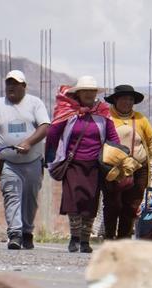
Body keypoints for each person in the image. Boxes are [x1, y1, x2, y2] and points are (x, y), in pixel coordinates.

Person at [0, 69, 51, 250]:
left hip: (33, 162)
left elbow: (45, 127)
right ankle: (14, 234)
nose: (11, 87)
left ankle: (27, 232)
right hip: (9, 163)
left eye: (15, 83)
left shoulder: (35, 103)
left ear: (24, 86)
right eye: (8, 83)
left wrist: (29, 142)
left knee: (30, 199)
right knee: (11, 196)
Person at [46, 76, 118, 253]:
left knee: (90, 202)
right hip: (73, 163)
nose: (89, 94)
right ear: (78, 93)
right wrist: (49, 157)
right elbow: (53, 134)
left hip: (95, 166)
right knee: (73, 201)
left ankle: (85, 241)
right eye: (85, 91)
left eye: (92, 91)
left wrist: (119, 155)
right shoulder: (68, 112)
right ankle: (74, 238)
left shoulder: (103, 113)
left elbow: (112, 137)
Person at [100, 84, 152, 240]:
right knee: (113, 204)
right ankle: (109, 236)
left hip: (138, 167)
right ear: (115, 100)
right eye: (123, 98)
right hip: (114, 168)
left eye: (130, 99)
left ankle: (124, 238)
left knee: (132, 204)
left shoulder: (141, 119)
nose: (127, 102)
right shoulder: (106, 117)